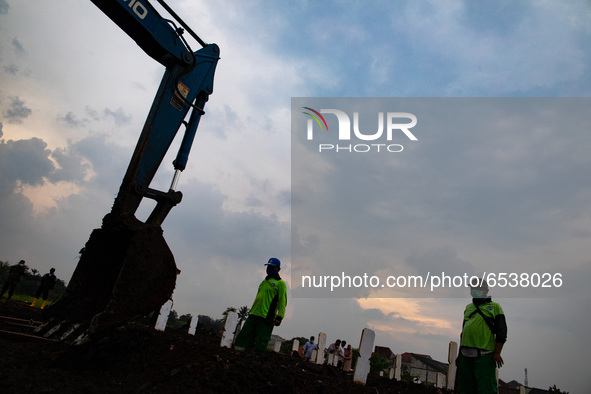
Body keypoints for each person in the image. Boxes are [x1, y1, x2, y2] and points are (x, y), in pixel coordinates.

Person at [456, 279, 507, 394]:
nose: (474, 290)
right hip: (465, 354)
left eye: (477, 288)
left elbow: (501, 332)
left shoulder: (495, 307)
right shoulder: (468, 308)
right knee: (465, 387)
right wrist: (459, 354)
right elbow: (464, 332)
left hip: (484, 354)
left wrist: (497, 353)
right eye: (472, 288)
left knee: (486, 387)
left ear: (485, 290)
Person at [234, 257, 287, 354]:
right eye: (268, 266)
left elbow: (282, 302)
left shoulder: (280, 284)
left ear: (278, 269)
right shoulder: (264, 282)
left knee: (261, 342)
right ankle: (238, 355)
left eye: (272, 267)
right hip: (253, 314)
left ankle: (257, 362)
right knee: (243, 337)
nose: (269, 269)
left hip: (266, 317)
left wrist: (279, 317)